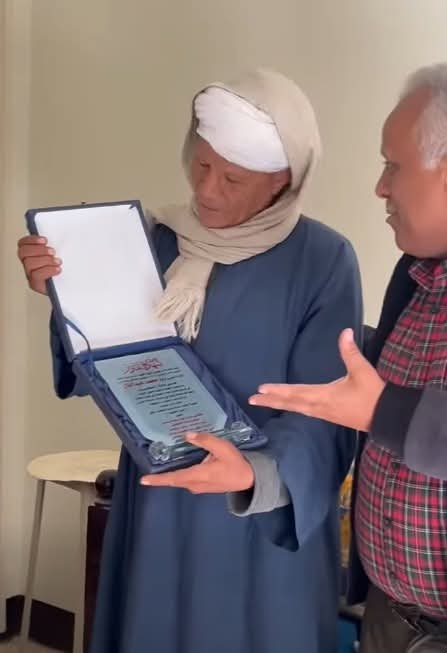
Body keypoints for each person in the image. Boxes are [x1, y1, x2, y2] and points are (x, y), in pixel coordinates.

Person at [17, 69, 362, 653]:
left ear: (282, 182)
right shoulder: (157, 241)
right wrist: (64, 296)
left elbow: (327, 413)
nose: (207, 190)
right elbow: (105, 360)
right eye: (200, 165)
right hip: (159, 504)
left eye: (232, 178)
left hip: (256, 523)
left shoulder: (323, 261)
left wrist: (253, 474)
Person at [250, 63, 447, 653]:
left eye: (393, 166)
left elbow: (387, 408)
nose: (380, 188)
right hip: (388, 616)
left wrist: (384, 410)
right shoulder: (414, 278)